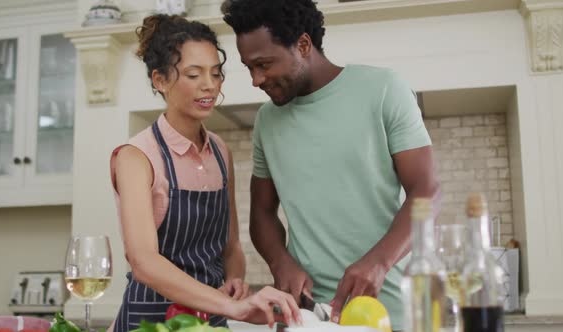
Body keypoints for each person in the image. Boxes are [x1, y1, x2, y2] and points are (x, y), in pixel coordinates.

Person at [222, 1, 440, 331]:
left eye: (263, 64)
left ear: (304, 45)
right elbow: (262, 212)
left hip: (395, 311)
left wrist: (378, 263)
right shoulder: (267, 120)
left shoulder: (383, 89)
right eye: (249, 67)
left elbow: (426, 191)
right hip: (311, 318)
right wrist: (281, 263)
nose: (256, 79)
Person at [109, 14, 301, 332]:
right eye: (193, 74)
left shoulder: (220, 151)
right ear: (160, 80)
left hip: (210, 319)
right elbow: (143, 261)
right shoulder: (137, 157)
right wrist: (234, 307)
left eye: (215, 73)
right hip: (151, 321)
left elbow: (231, 248)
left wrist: (235, 279)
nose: (209, 85)